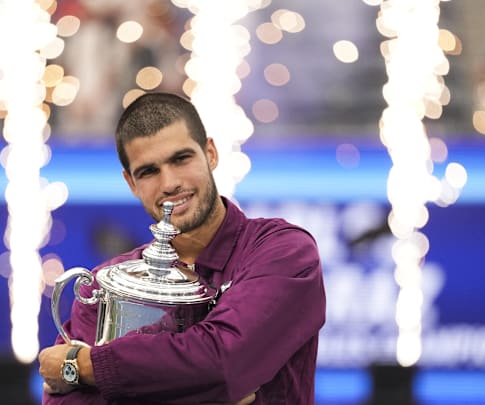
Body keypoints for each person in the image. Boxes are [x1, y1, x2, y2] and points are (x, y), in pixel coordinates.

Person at [38, 92, 326, 404]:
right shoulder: (106, 282)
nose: (170, 183)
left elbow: (222, 362)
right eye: (148, 171)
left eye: (181, 159)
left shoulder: (282, 251)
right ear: (131, 183)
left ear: (211, 154)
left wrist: (82, 366)